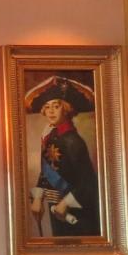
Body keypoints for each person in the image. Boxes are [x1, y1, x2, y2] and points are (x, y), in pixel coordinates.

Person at [25, 75, 100, 238]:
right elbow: (47, 171)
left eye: (56, 106)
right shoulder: (50, 136)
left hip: (78, 211)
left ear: (66, 109)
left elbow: (88, 182)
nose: (51, 111)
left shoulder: (73, 140)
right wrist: (38, 198)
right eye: (47, 107)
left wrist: (66, 203)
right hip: (57, 207)